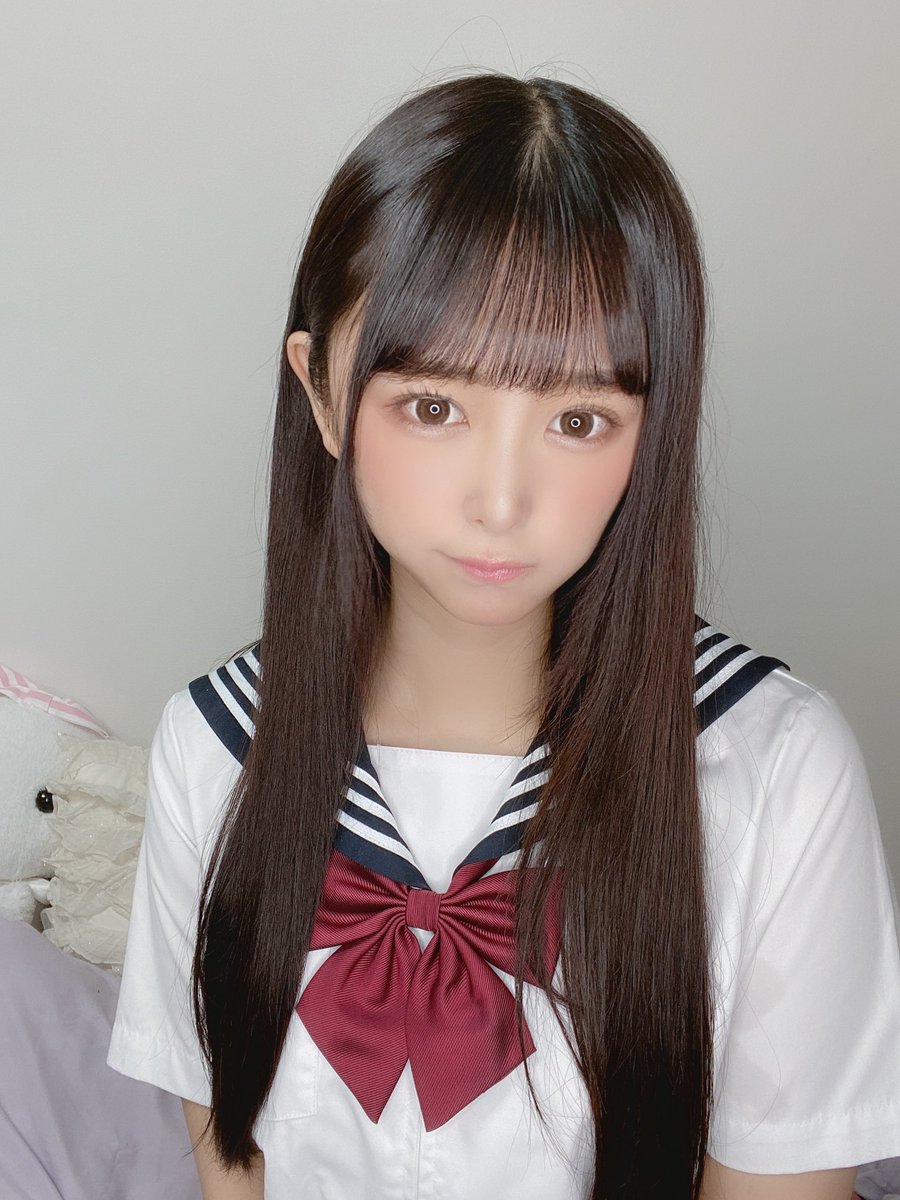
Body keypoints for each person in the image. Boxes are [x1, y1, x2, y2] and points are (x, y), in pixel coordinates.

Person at [106, 70, 900, 1199]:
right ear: (322, 393)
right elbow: (232, 1163)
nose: (501, 500)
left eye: (579, 419)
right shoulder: (216, 747)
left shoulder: (773, 769)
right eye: (433, 407)